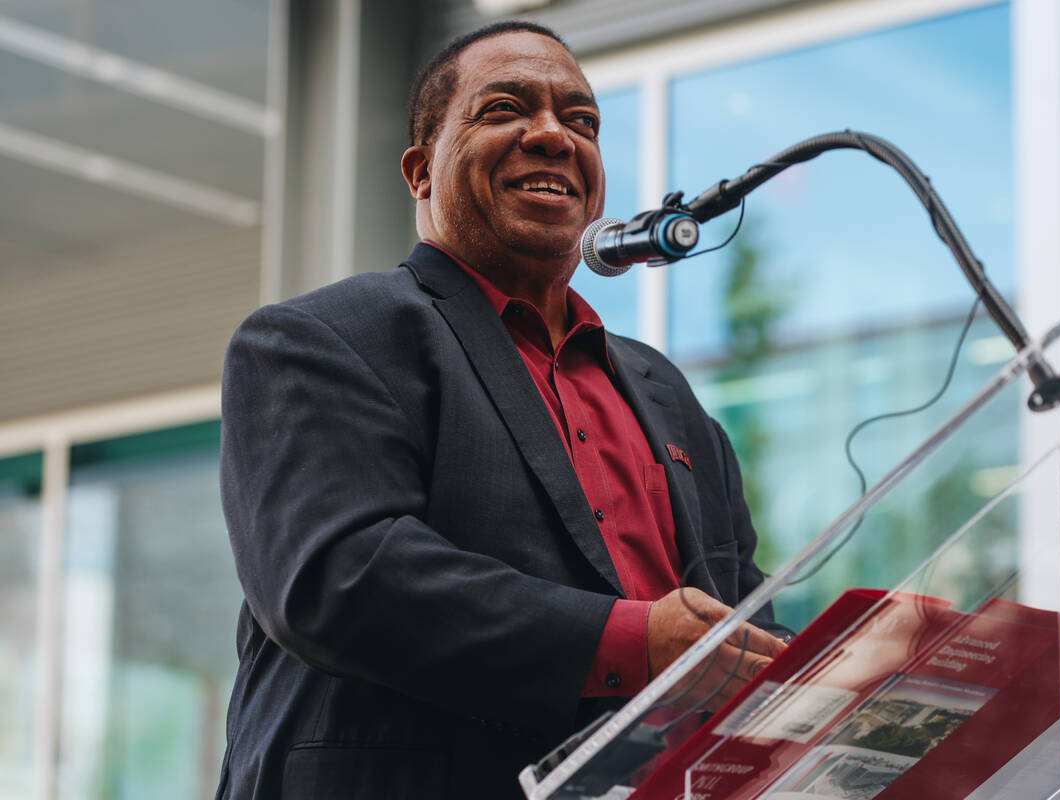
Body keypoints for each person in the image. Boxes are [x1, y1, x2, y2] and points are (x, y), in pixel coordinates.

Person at [215, 20, 786, 800]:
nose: (554, 136)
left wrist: (846, 662)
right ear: (420, 171)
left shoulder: (666, 394)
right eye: (506, 108)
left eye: (581, 121)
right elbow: (339, 577)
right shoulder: (318, 340)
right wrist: (633, 640)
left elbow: (736, 610)